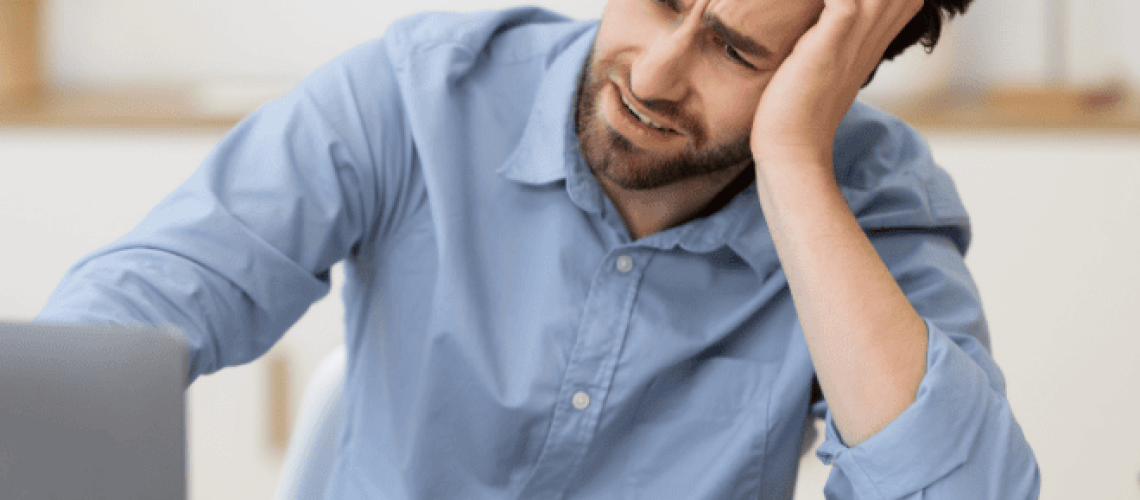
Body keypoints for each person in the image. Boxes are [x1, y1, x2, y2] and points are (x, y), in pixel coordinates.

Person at [38, 0, 1040, 497]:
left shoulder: (870, 209)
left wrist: (790, 161)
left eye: (738, 51)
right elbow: (137, 304)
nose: (651, 71)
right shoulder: (420, 95)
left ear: (841, 76)